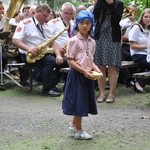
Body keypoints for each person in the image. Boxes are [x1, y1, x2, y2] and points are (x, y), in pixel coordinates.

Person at [62, 10, 101, 140]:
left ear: (91, 24)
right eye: (82, 23)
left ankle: (73, 124)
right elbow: (70, 60)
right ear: (77, 24)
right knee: (79, 103)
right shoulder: (73, 41)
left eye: (88, 23)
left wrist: (96, 70)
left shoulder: (92, 42)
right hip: (77, 75)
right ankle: (79, 130)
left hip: (88, 75)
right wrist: (83, 70)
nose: (85, 26)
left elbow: (90, 60)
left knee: (83, 102)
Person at [12, 4, 66, 96]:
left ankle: (52, 85)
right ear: (37, 12)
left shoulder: (46, 26)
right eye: (44, 16)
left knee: (65, 62)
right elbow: (15, 40)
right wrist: (28, 48)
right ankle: (47, 90)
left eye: (47, 16)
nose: (45, 19)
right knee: (50, 61)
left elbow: (52, 42)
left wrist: (58, 55)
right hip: (29, 56)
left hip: (42, 53)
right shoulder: (25, 23)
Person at [93, 0, 123, 103]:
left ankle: (111, 94)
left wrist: (110, 4)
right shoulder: (99, 3)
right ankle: (102, 93)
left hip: (113, 37)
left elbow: (116, 19)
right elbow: (95, 16)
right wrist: (100, 3)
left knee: (112, 66)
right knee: (100, 66)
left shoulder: (118, 3)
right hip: (100, 37)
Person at [47, 2, 76, 89]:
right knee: (65, 63)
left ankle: (68, 87)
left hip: (68, 52)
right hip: (55, 52)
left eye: (70, 14)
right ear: (61, 12)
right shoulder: (53, 22)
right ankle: (52, 85)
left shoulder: (74, 24)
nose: (68, 15)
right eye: (66, 13)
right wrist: (58, 51)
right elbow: (49, 39)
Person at [128, 8, 150, 93]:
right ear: (142, 17)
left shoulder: (148, 28)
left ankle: (139, 83)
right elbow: (132, 46)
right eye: (146, 17)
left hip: (147, 54)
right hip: (138, 55)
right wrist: (147, 46)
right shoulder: (136, 27)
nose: (148, 19)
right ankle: (139, 83)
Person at [118, 4, 138, 87]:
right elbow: (121, 36)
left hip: (133, 46)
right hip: (124, 46)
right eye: (131, 10)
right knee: (119, 54)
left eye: (135, 11)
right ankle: (128, 79)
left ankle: (128, 78)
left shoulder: (137, 24)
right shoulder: (123, 21)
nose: (132, 13)